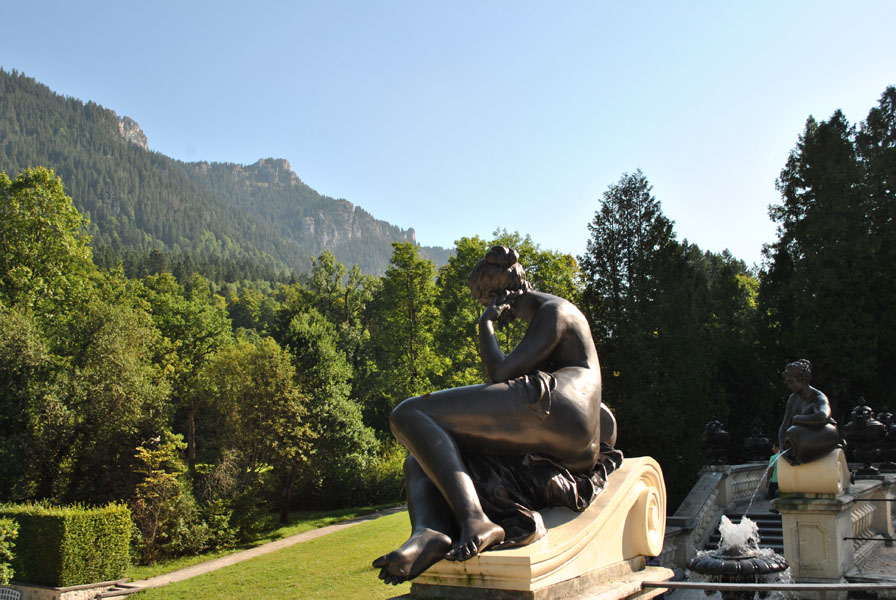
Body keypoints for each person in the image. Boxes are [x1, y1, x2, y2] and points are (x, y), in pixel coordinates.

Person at [373, 246, 620, 585]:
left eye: (486, 302)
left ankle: (476, 519)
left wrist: (485, 325)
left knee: (408, 414)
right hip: (563, 422)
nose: (500, 315)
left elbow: (501, 374)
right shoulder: (552, 317)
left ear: (501, 296)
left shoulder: (554, 311)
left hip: (557, 406)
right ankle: (428, 532)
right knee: (423, 454)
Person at [778, 359, 840, 466]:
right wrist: (782, 448)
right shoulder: (793, 399)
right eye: (787, 382)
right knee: (792, 434)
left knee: (794, 432)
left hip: (821, 436)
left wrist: (797, 418)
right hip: (802, 440)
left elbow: (823, 417)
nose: (788, 385)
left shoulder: (818, 397)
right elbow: (784, 426)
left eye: (791, 382)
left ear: (803, 380)